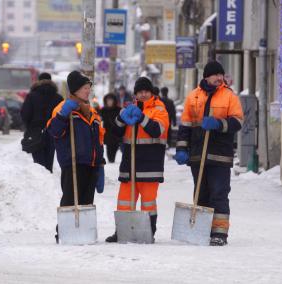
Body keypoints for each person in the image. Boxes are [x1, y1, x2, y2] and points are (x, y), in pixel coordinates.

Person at [174, 61, 244, 246]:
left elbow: (237, 122)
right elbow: (185, 127)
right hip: (198, 155)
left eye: (221, 75)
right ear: (206, 76)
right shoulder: (193, 97)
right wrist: (181, 149)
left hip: (220, 155)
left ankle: (219, 233)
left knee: (219, 194)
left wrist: (219, 124)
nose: (219, 78)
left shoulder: (229, 96)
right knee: (201, 194)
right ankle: (202, 229)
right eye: (215, 75)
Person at [105, 77, 169, 243]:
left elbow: (157, 130)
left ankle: (148, 233)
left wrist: (142, 118)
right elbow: (115, 133)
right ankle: (121, 232)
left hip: (150, 165)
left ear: (151, 92)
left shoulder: (159, 109)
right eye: (140, 91)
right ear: (135, 94)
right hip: (129, 166)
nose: (143, 94)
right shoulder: (128, 109)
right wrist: (121, 119)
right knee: (124, 202)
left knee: (148, 203)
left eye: (146, 91)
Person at [47, 71, 106, 243]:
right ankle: (64, 232)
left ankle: (84, 233)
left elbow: (99, 140)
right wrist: (63, 115)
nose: (88, 91)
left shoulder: (92, 112)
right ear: (75, 90)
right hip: (73, 163)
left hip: (91, 163)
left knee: (87, 201)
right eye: (85, 88)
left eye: (89, 88)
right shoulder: (62, 109)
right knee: (70, 200)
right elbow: (54, 132)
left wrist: (100, 164)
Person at [20, 72, 63, 172]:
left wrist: (29, 126)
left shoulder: (31, 96)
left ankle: (41, 181)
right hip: (52, 132)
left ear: (38, 81)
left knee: (38, 163)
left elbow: (25, 114)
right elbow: (62, 115)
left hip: (35, 132)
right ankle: (48, 179)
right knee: (49, 160)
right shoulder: (58, 98)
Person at [100, 93, 122, 163]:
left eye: (111, 100)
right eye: (108, 100)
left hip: (117, 135)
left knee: (116, 152)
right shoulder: (103, 110)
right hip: (107, 135)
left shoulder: (119, 110)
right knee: (109, 155)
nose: (109, 102)